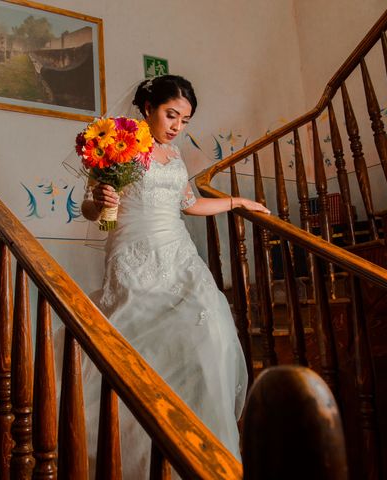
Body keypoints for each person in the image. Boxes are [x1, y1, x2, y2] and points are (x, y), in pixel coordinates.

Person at [80, 75, 270, 475]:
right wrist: (100, 200)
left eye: (184, 120)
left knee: (210, 329)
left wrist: (237, 202)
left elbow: (188, 203)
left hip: (180, 254)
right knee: (144, 341)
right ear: (148, 108)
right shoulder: (116, 145)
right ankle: (146, 453)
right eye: (171, 115)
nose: (176, 126)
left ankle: (204, 450)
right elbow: (92, 213)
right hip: (133, 251)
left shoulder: (175, 154)